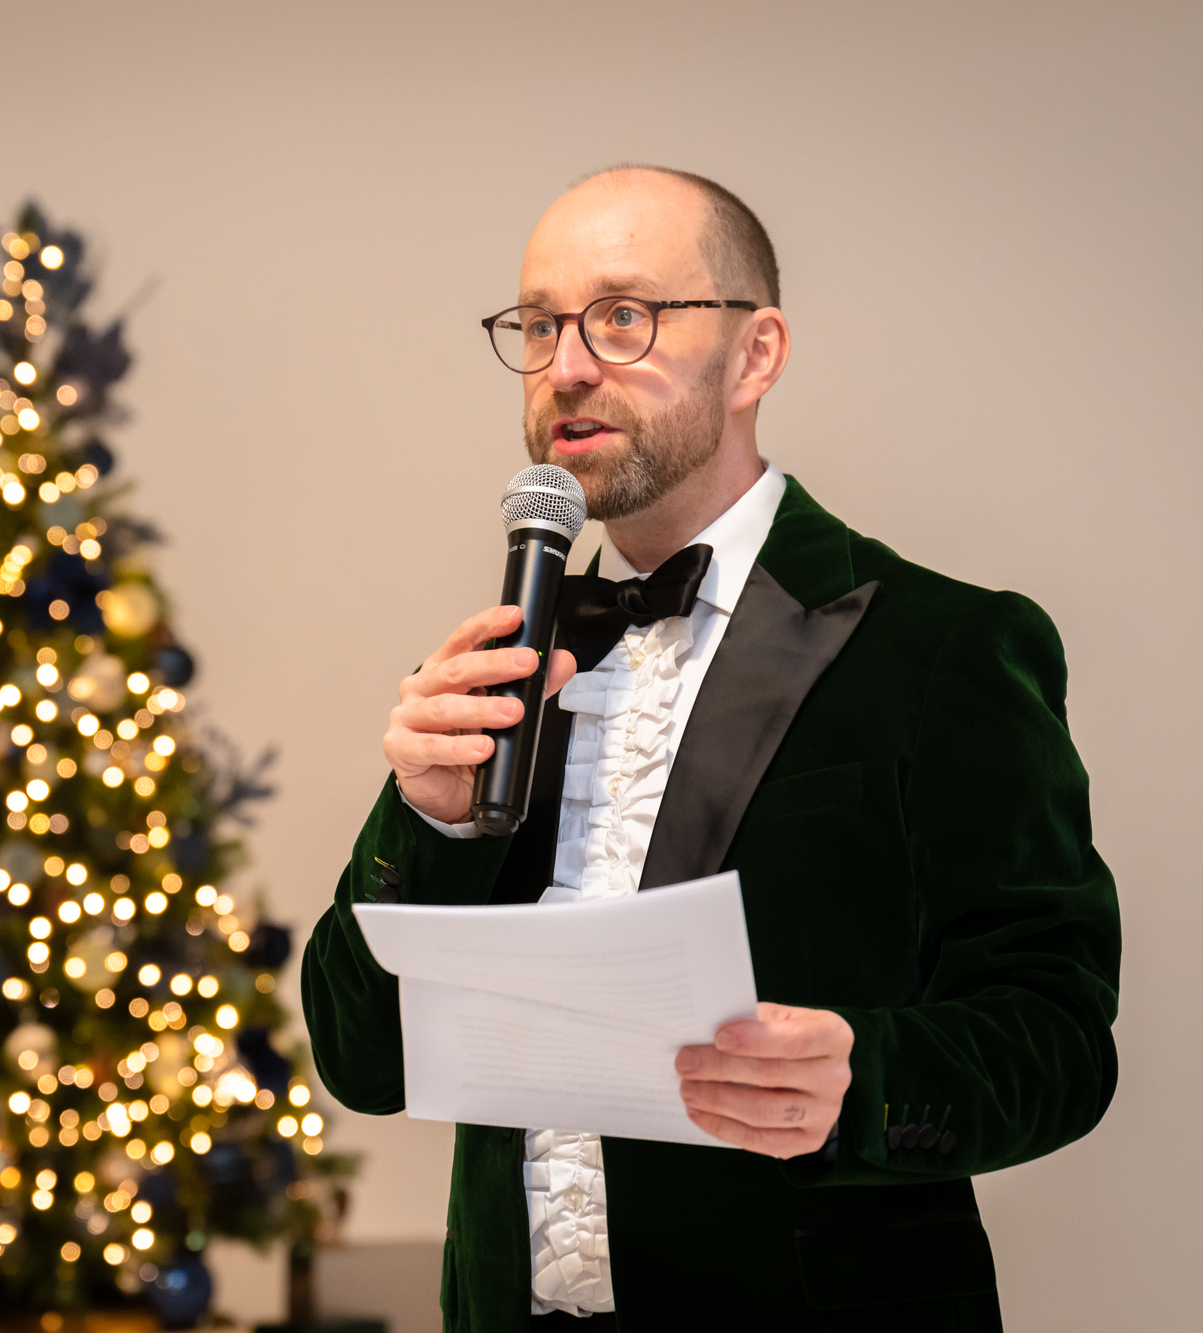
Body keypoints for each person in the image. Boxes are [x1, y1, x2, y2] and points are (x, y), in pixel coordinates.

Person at [299, 166, 1120, 1332]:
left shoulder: (947, 648)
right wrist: (422, 819)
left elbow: (1057, 1035)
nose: (567, 366)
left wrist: (856, 1082)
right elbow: (361, 1060)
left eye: (622, 316)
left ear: (755, 354)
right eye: (538, 326)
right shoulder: (503, 661)